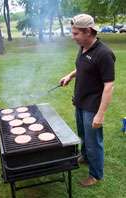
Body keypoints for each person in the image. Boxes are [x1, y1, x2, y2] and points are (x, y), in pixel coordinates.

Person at [59, 14, 115, 187]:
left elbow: (109, 86)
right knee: (83, 135)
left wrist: (101, 114)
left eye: (76, 34)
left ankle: (96, 175)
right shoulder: (83, 47)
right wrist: (70, 75)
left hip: (93, 106)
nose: (72, 37)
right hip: (80, 101)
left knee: (93, 141)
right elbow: (82, 66)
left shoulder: (104, 54)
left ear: (88, 32)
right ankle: (84, 156)